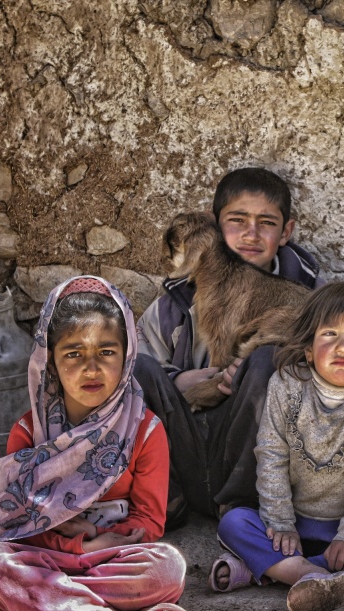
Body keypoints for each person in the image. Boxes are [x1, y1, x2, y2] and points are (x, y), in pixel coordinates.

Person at [0, 276, 199, 611]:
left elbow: (149, 523)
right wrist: (78, 548)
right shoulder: (28, 433)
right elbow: (17, 526)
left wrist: (101, 544)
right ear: (50, 362)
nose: (91, 368)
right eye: (73, 353)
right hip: (44, 554)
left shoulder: (145, 430)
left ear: (127, 356)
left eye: (106, 352)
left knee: (167, 568)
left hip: (111, 555)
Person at [135, 167, 324, 524]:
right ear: (214, 223)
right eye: (237, 220)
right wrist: (177, 382)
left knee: (268, 361)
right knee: (140, 371)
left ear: (286, 231)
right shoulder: (174, 303)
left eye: (266, 223)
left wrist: (261, 370)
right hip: (183, 439)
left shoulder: (314, 299)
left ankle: (242, 503)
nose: (251, 234)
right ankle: (164, 497)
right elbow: (140, 363)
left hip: (250, 451)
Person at [210, 282, 344, 611]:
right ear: (309, 349)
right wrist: (280, 523)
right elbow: (270, 456)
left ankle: (268, 571)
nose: (343, 346)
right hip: (289, 523)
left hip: (339, 528)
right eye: (329, 334)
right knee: (234, 523)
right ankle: (306, 576)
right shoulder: (286, 383)